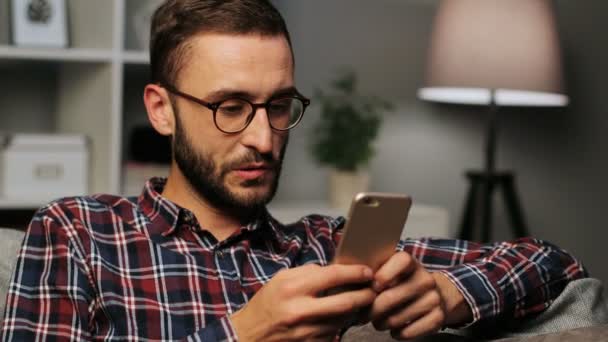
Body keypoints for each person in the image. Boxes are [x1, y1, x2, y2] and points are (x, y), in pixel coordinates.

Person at [1, 0, 587, 341]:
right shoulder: (79, 232)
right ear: (162, 110)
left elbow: (556, 264)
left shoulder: (324, 246)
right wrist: (240, 335)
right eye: (230, 107)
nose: (262, 138)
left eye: (278, 106)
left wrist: (450, 294)